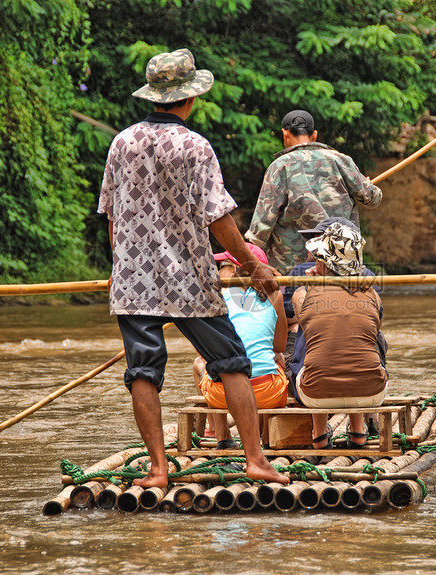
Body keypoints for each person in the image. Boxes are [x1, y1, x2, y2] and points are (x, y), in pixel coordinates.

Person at [98, 48, 289, 488]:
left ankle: (158, 470)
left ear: (153, 97)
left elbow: (113, 214)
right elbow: (217, 218)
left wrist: (118, 266)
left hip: (134, 281)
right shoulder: (195, 145)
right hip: (188, 279)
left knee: (142, 371)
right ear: (189, 98)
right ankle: (256, 461)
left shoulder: (121, 142)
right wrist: (251, 266)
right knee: (232, 361)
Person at [245, 109, 383, 272]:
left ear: (285, 133)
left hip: (291, 269)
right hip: (340, 266)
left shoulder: (279, 166)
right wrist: (368, 185)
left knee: (295, 298)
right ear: (315, 134)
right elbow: (373, 199)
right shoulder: (341, 160)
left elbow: (262, 225)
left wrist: (244, 256)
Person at [290, 222, 388, 449]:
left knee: (310, 339)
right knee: (362, 338)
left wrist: (312, 285)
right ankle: (358, 430)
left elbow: (303, 322)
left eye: (318, 258)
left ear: (325, 262)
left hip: (314, 392)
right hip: (372, 393)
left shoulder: (302, 294)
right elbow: (375, 328)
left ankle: (319, 434)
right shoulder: (372, 294)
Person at [192, 244, 289, 449]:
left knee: (201, 362)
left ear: (234, 269)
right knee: (277, 359)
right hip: (267, 392)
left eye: (223, 265)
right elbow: (279, 345)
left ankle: (223, 436)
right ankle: (264, 437)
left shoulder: (218, 296)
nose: (219, 271)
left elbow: (204, 350)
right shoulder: (275, 295)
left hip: (222, 395)